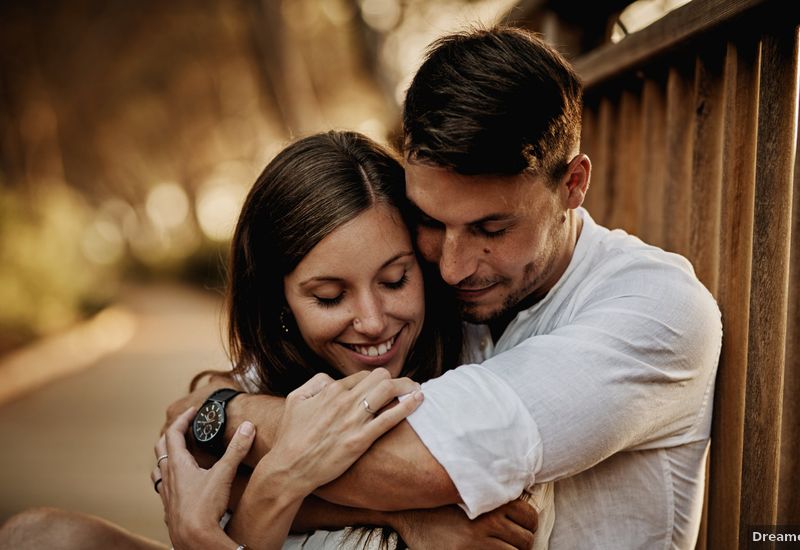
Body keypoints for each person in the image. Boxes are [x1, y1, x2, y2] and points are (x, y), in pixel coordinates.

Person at [165, 26, 723, 549]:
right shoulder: (431, 285)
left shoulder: (655, 306)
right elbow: (188, 458)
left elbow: (410, 466)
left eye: (491, 229)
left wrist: (223, 413)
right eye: (431, 220)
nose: (453, 267)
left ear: (573, 184)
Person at [0, 132, 539, 550]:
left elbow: (204, 443)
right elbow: (188, 435)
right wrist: (290, 483)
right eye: (329, 297)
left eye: (395, 280)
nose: (372, 321)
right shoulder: (274, 375)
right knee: (36, 536)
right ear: (280, 302)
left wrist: (259, 470)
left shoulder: (482, 357)